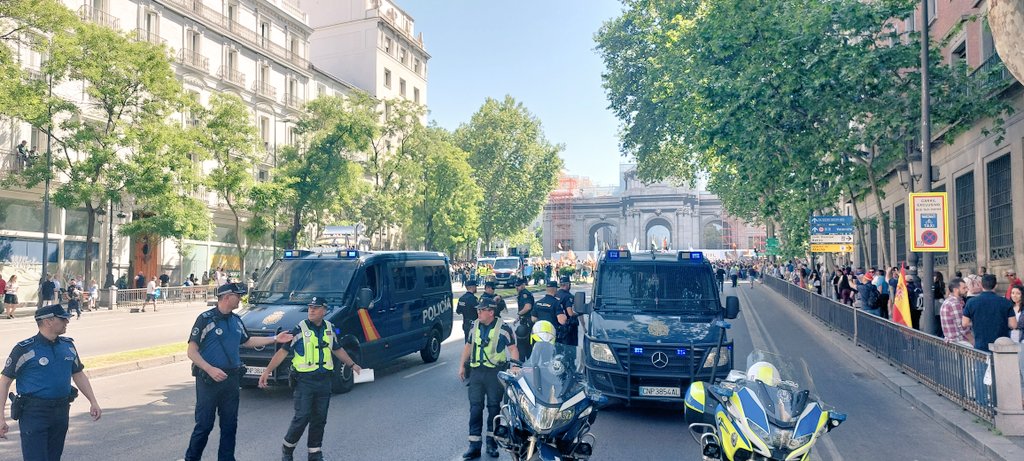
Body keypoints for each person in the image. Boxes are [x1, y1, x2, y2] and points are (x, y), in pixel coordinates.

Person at [184, 282, 293, 461]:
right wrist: (209, 369)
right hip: (209, 380)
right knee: (204, 425)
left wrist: (275, 339)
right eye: (238, 295)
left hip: (231, 379)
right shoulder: (205, 319)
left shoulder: (236, 320)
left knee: (229, 425)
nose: (240, 298)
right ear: (227, 297)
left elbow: (247, 341)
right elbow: (191, 351)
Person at [259, 297, 361, 461]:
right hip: (304, 381)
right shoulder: (300, 329)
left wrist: (352, 365)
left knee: (320, 418)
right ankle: (287, 448)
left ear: (324, 311)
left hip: (324, 381)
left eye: (316, 307)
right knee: (302, 417)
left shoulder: (329, 328)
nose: (311, 310)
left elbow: (337, 349)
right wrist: (267, 371)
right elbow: (283, 352)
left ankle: (314, 452)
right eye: (310, 307)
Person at [0, 304, 102, 460]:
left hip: (61, 411)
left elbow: (78, 374)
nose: (67, 322)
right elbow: (4, 382)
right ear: (48, 321)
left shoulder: (68, 346)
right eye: (63, 319)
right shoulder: (24, 349)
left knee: (54, 457)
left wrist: (93, 401)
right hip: (34, 413)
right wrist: (1, 417)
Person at [457, 297, 520, 460]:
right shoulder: (474, 325)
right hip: (477, 373)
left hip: (494, 374)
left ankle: (491, 444)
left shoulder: (503, 328)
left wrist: (514, 366)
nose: (478, 312)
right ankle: (474, 446)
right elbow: (468, 346)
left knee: (493, 409)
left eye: (481, 310)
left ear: (491, 312)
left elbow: (513, 349)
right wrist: (462, 365)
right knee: (475, 408)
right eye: (478, 309)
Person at [962, 274, 1016, 406]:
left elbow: (964, 323)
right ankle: (1001, 401)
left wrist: (977, 322)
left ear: (981, 285)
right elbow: (1013, 325)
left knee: (980, 373)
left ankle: (982, 402)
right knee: (1000, 373)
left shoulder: (971, 302)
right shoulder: (1005, 302)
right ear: (995, 285)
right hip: (1001, 345)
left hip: (981, 343)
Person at [939, 278, 971, 345]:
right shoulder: (955, 303)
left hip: (952, 341)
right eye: (964, 288)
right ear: (956, 290)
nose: (967, 290)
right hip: (960, 341)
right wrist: (972, 340)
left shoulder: (948, 301)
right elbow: (962, 326)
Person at [514, 277, 535, 360]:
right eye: (516, 286)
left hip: (527, 323)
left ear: (523, 285)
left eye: (518, 285)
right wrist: (518, 318)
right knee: (526, 346)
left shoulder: (525, 294)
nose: (517, 287)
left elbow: (528, 307)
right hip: (525, 321)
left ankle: (523, 364)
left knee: (523, 345)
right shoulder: (522, 294)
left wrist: (519, 313)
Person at [555, 276, 577, 346]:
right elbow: (570, 313)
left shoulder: (556, 294)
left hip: (557, 324)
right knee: (570, 347)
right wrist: (577, 314)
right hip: (568, 326)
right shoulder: (568, 296)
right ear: (567, 284)